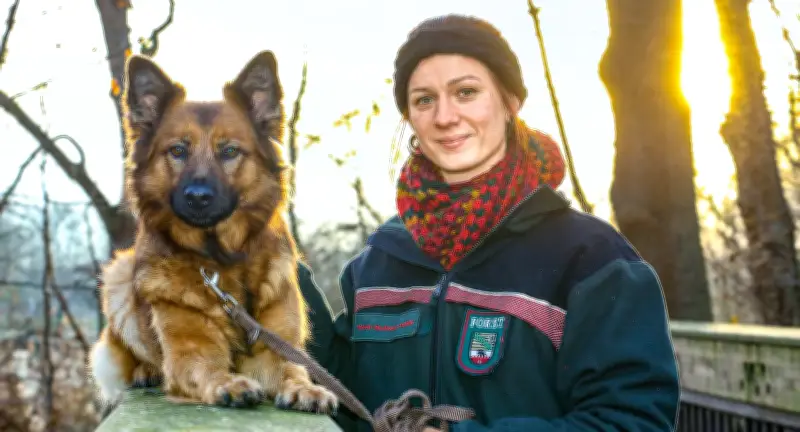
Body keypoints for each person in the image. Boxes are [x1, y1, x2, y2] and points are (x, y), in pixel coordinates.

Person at [300, 13, 680, 432]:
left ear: (510, 102)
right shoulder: (379, 261)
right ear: (410, 117)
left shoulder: (590, 258)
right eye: (424, 100)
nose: (445, 117)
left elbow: (632, 422)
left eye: (465, 92)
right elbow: (340, 395)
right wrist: (274, 265)